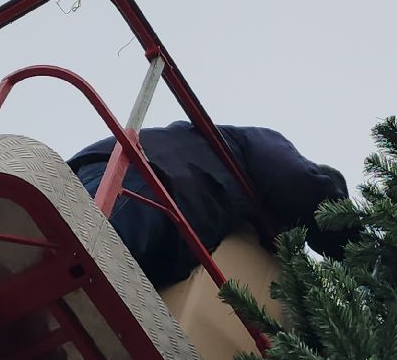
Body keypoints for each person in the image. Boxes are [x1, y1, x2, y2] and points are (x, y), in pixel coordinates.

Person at [69, 121, 352, 286]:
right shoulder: (256, 145)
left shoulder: (246, 223)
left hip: (145, 188)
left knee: (96, 274)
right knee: (84, 256)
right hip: (148, 178)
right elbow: (298, 184)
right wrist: (359, 254)